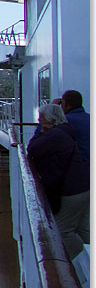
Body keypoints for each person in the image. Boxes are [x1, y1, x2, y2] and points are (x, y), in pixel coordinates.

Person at [28, 103, 90, 257]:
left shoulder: (55, 135)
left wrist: (41, 132)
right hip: (84, 187)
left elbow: (32, 148)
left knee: (62, 231)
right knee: (83, 229)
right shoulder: (65, 131)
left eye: (41, 119)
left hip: (72, 191)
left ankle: (69, 265)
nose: (39, 121)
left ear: (49, 119)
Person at [60, 89, 90, 154]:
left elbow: (44, 136)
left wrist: (52, 107)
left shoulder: (65, 120)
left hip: (78, 161)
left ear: (65, 104)